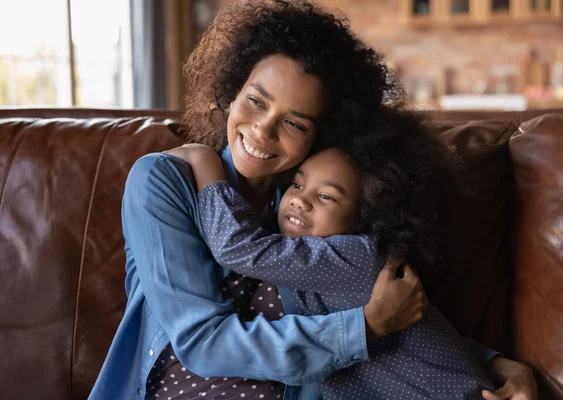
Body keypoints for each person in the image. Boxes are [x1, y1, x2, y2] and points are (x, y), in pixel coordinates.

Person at [90, 1, 537, 399]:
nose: (263, 130)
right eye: (255, 101)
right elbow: (204, 343)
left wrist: (499, 367)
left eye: (295, 123)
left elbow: (390, 303)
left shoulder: (314, 202)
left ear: (320, 133)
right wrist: (366, 329)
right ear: (231, 92)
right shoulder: (165, 181)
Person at [166, 105, 498, 399]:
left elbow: (240, 248)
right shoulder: (319, 258)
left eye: (327, 196)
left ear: (365, 218)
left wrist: (204, 162)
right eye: (297, 184)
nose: (300, 200)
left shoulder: (359, 259)